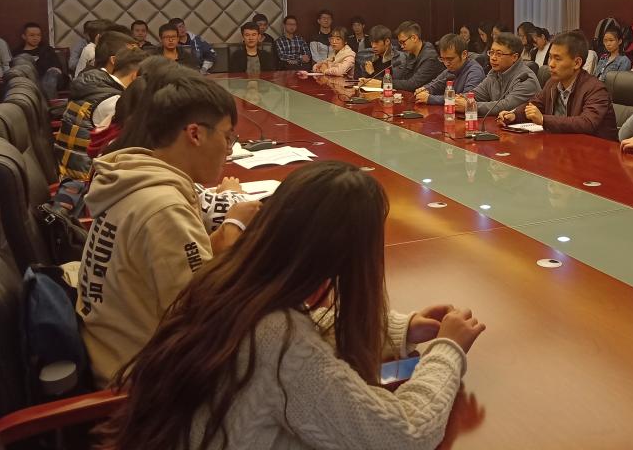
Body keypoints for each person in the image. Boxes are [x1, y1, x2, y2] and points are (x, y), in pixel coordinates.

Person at [95, 161, 484, 450]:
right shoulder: (278, 343)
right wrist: (447, 351)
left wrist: (400, 329)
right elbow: (404, 435)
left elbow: (310, 324)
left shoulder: (225, 281)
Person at [76, 72, 260, 388]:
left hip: (112, 351)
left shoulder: (132, 176)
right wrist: (233, 230)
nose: (229, 150)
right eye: (227, 137)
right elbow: (202, 316)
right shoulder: (163, 208)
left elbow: (174, 268)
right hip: (143, 383)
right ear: (195, 133)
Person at [54, 31, 140, 181]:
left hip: (70, 170)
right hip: (85, 179)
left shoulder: (91, 81)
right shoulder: (111, 100)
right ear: (114, 60)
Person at [500, 30, 617, 140]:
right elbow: (535, 105)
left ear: (577, 63)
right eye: (550, 57)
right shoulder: (552, 83)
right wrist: (514, 115)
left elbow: (586, 123)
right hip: (562, 146)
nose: (551, 64)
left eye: (557, 59)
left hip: (596, 150)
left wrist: (543, 119)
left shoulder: (596, 89)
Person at [363, 22, 441, 92]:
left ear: (414, 38)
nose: (401, 46)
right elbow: (404, 80)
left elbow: (413, 84)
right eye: (400, 43)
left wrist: (381, 82)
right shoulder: (411, 54)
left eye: (403, 42)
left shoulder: (430, 57)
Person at [415, 33, 485, 106]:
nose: (446, 64)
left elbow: (465, 99)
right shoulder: (451, 69)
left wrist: (430, 98)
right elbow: (435, 84)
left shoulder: (475, 72)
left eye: (450, 59)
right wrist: (424, 90)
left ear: (464, 54)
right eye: (443, 59)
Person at [12, 21, 64, 101]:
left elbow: (57, 68)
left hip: (50, 79)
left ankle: (50, 106)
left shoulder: (47, 50)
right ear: (24, 36)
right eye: (32, 35)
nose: (35, 38)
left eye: (38, 35)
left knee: (51, 74)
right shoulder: (17, 53)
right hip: (27, 81)